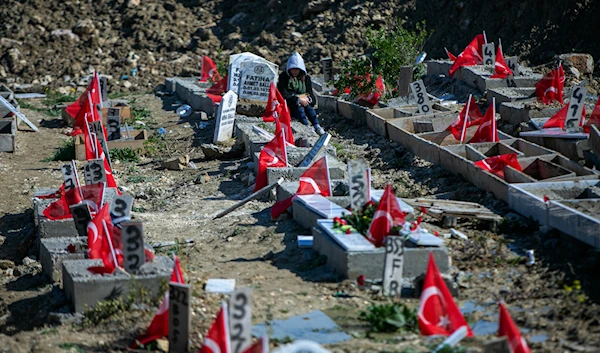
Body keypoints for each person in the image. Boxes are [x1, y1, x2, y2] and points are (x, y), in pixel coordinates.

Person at [277, 52, 325, 135]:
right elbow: (283, 94)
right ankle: (306, 127)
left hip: (305, 102)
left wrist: (307, 99)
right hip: (291, 104)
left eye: (297, 69)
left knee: (309, 109)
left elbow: (312, 96)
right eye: (293, 69)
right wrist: (297, 100)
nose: (295, 71)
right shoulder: (284, 78)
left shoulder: (306, 79)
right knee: (300, 109)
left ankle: (317, 126)